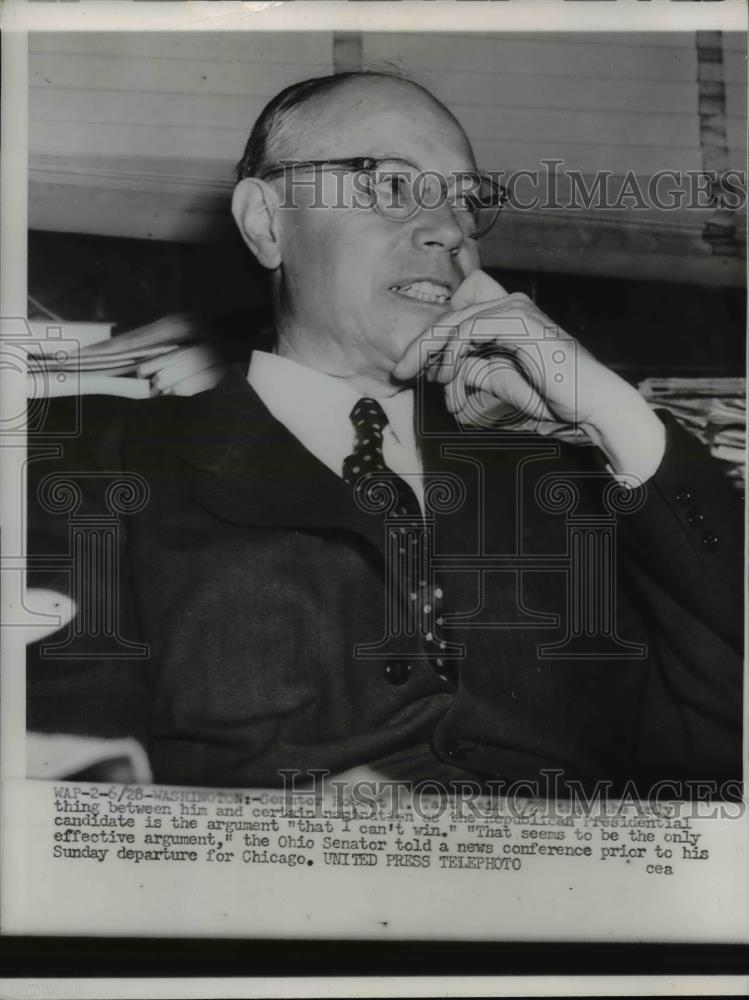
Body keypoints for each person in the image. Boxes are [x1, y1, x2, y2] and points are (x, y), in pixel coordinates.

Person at [27, 72, 743, 796]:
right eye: (391, 186)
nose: (450, 231)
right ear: (267, 222)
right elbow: (77, 792)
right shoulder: (101, 463)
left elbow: (719, 746)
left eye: (466, 202)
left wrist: (614, 415)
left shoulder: (578, 471)